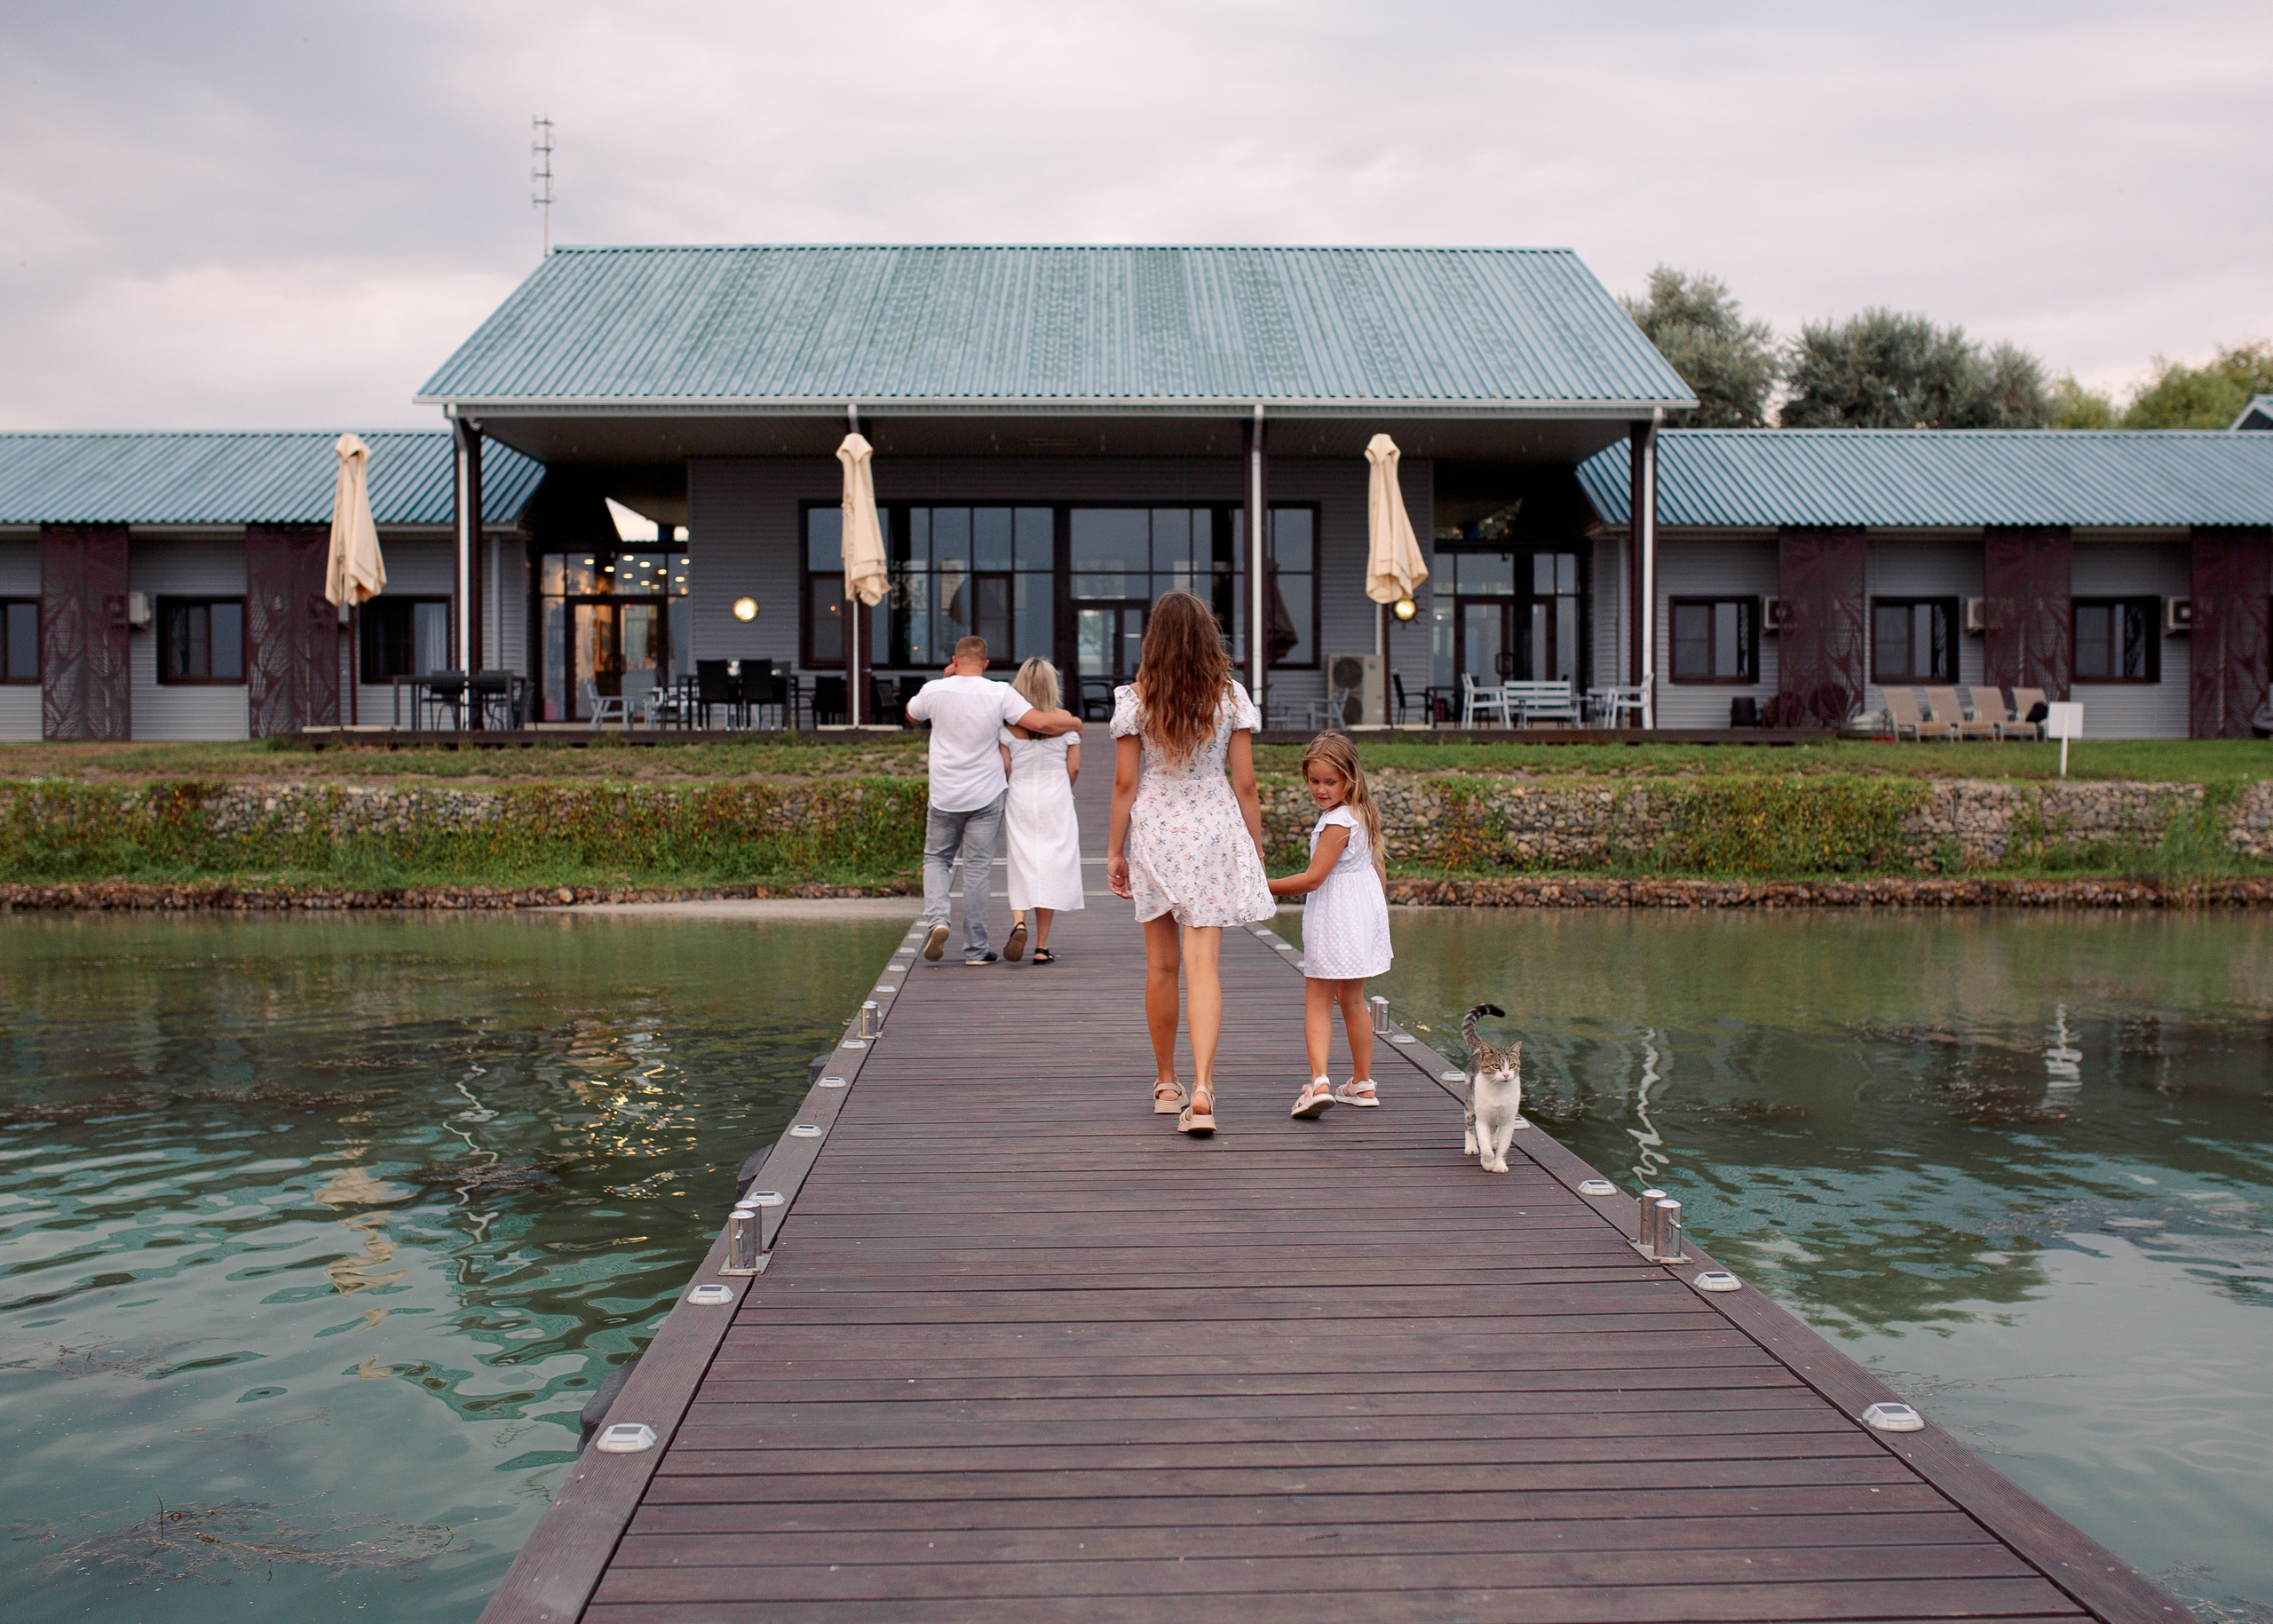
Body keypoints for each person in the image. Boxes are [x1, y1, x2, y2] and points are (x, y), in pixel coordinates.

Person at [1106, 590, 1273, 1136]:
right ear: (1209, 639)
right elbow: (1244, 783)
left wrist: (1114, 850)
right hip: (1214, 827)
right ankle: (1203, 1090)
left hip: (1157, 827)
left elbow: (1125, 783)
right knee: (1205, 967)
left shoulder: (1135, 700)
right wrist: (1255, 845)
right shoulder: (1231, 698)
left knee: (1162, 967)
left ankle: (1165, 1082)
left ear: (1153, 641)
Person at [905, 636, 1082, 966]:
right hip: (985, 796)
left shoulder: (933, 690)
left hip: (944, 794)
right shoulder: (999, 692)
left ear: (955, 661)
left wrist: (944, 682)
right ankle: (975, 950)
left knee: (936, 860)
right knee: (976, 870)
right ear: (986, 664)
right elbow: (1040, 723)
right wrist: (1074, 723)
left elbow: (912, 714)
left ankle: (938, 921)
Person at [1269, 733, 1394, 1118]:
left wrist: (1261, 887)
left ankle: (1319, 1081)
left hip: (1336, 917)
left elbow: (1312, 878)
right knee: (1353, 999)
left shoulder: (1337, 822)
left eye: (1330, 782)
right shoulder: (1363, 813)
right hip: (1362, 914)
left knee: (1318, 1001)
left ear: (1349, 780)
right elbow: (1378, 870)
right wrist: (1376, 916)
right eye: (1314, 780)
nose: (1321, 789)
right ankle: (1362, 1082)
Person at [998, 658, 1083, 964]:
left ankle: (1018, 921)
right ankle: (1042, 946)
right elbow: (1073, 768)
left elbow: (1005, 767)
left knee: (1021, 860)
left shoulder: (1008, 726)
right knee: (1050, 864)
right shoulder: (1067, 721)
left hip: (1021, 795)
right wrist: (1064, 785)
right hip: (1056, 796)